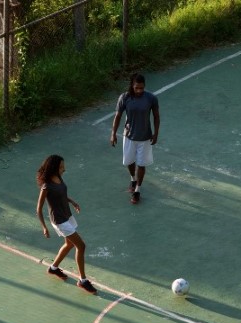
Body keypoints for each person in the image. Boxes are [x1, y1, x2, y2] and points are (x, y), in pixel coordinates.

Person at [36, 154, 97, 294]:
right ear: (54, 168)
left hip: (67, 215)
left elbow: (62, 193)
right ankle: (83, 281)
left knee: (69, 244)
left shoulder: (58, 178)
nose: (64, 169)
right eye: (61, 167)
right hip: (59, 220)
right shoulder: (46, 186)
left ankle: (53, 268)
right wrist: (44, 227)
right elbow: (38, 208)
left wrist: (72, 201)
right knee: (81, 246)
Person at [110, 73, 160, 205]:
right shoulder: (124, 98)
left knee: (141, 164)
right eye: (137, 88)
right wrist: (113, 133)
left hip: (145, 137)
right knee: (129, 162)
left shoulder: (151, 98)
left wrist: (156, 133)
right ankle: (133, 179)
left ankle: (137, 190)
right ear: (132, 86)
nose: (139, 91)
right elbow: (118, 116)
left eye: (142, 88)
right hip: (129, 136)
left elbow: (156, 116)